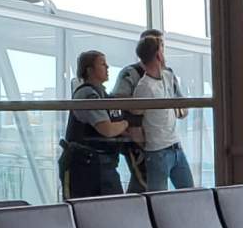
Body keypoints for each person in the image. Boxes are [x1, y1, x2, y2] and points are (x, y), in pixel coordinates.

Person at [112, 29, 185, 192]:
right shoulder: (131, 73)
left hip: (165, 137)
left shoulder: (168, 74)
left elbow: (183, 106)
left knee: (147, 185)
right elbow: (118, 101)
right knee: (143, 183)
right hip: (139, 141)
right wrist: (135, 124)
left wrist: (171, 109)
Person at [59, 50, 129, 198]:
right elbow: (107, 129)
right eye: (102, 64)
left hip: (99, 164)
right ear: (90, 70)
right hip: (89, 166)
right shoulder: (87, 95)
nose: (107, 67)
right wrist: (125, 124)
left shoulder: (102, 95)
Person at [131, 35, 194, 192]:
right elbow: (135, 112)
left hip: (175, 146)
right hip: (157, 150)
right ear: (158, 55)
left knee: (190, 192)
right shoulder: (144, 87)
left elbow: (179, 105)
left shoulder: (168, 75)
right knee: (158, 198)